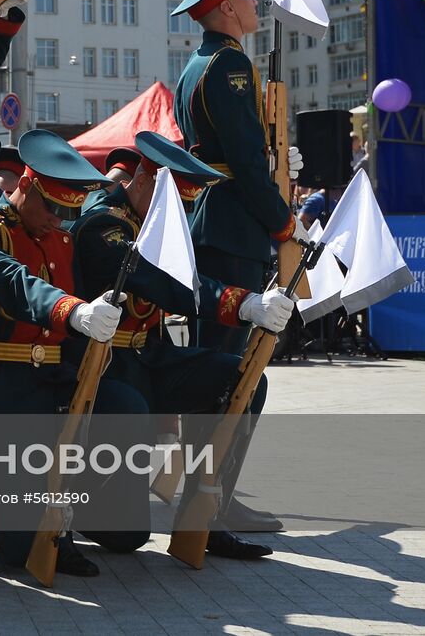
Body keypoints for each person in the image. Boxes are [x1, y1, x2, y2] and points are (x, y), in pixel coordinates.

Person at [69, 131, 294, 555]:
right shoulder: (103, 223)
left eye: (183, 207)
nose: (177, 215)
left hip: (149, 358)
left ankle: (204, 511)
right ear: (142, 182)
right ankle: (79, 501)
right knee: (126, 537)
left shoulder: (154, 218)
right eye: (170, 203)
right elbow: (163, 282)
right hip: (106, 367)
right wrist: (243, 303)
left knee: (243, 381)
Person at [0, 129, 139, 574]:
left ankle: (61, 521)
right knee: (14, 550)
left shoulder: (63, 240)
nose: (58, 219)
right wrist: (72, 311)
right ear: (25, 186)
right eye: (52, 207)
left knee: (126, 408)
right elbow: (15, 282)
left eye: (68, 211)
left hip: (51, 382)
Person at [172, 0, 304, 353]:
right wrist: (282, 221)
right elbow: (244, 162)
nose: (254, 2)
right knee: (226, 361)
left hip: (211, 220)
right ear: (228, 6)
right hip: (233, 226)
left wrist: (277, 160)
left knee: (213, 352)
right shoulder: (231, 64)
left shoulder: (195, 63)